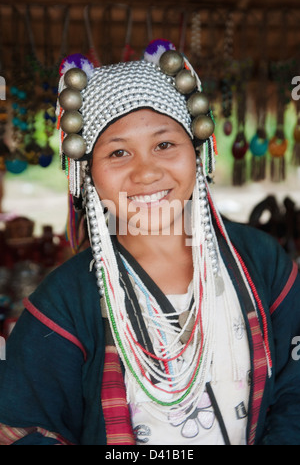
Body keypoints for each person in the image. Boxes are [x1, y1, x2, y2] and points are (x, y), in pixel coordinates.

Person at [0, 39, 300, 446]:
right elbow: (24, 425)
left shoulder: (261, 262)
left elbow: (294, 389)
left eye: (164, 144)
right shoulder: (65, 301)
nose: (146, 172)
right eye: (118, 152)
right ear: (87, 174)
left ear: (197, 152)